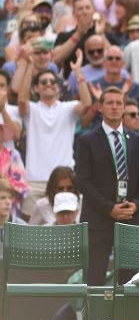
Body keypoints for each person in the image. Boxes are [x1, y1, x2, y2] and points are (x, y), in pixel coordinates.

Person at [75, 87, 139, 285]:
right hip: (98, 219)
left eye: (119, 103)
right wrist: (110, 209)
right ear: (100, 107)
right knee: (94, 278)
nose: (115, 107)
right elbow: (83, 182)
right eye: (110, 103)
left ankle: (126, 318)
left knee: (129, 281)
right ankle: (94, 317)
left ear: (125, 107)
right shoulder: (86, 140)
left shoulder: (136, 140)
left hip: (129, 218)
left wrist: (135, 204)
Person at [17, 52, 91, 217]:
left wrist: (78, 73)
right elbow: (22, 100)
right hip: (34, 180)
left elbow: (87, 104)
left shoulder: (68, 108)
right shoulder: (32, 110)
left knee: (67, 229)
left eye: (53, 81)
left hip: (63, 181)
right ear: (36, 88)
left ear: (58, 87)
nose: (49, 84)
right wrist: (29, 66)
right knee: (30, 231)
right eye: (43, 82)